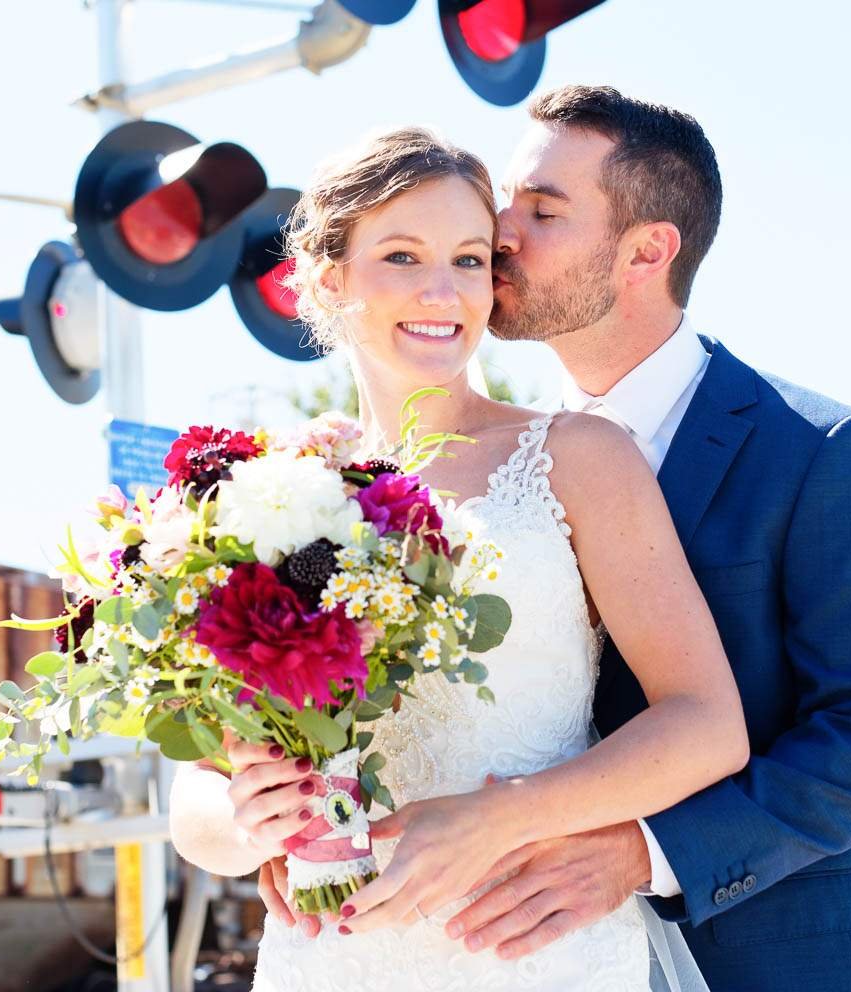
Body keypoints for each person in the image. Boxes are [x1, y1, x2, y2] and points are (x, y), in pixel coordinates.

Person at [168, 126, 745, 991]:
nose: (443, 290)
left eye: (470, 260)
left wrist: (498, 819)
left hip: (534, 948)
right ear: (328, 278)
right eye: (402, 256)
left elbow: (707, 725)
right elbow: (194, 803)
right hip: (337, 956)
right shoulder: (266, 490)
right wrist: (246, 821)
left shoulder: (582, 456)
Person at [436, 85, 851, 992]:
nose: (501, 230)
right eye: (508, 200)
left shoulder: (821, 452)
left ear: (647, 251)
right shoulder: (495, 470)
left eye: (543, 209)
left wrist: (647, 852)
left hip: (767, 960)